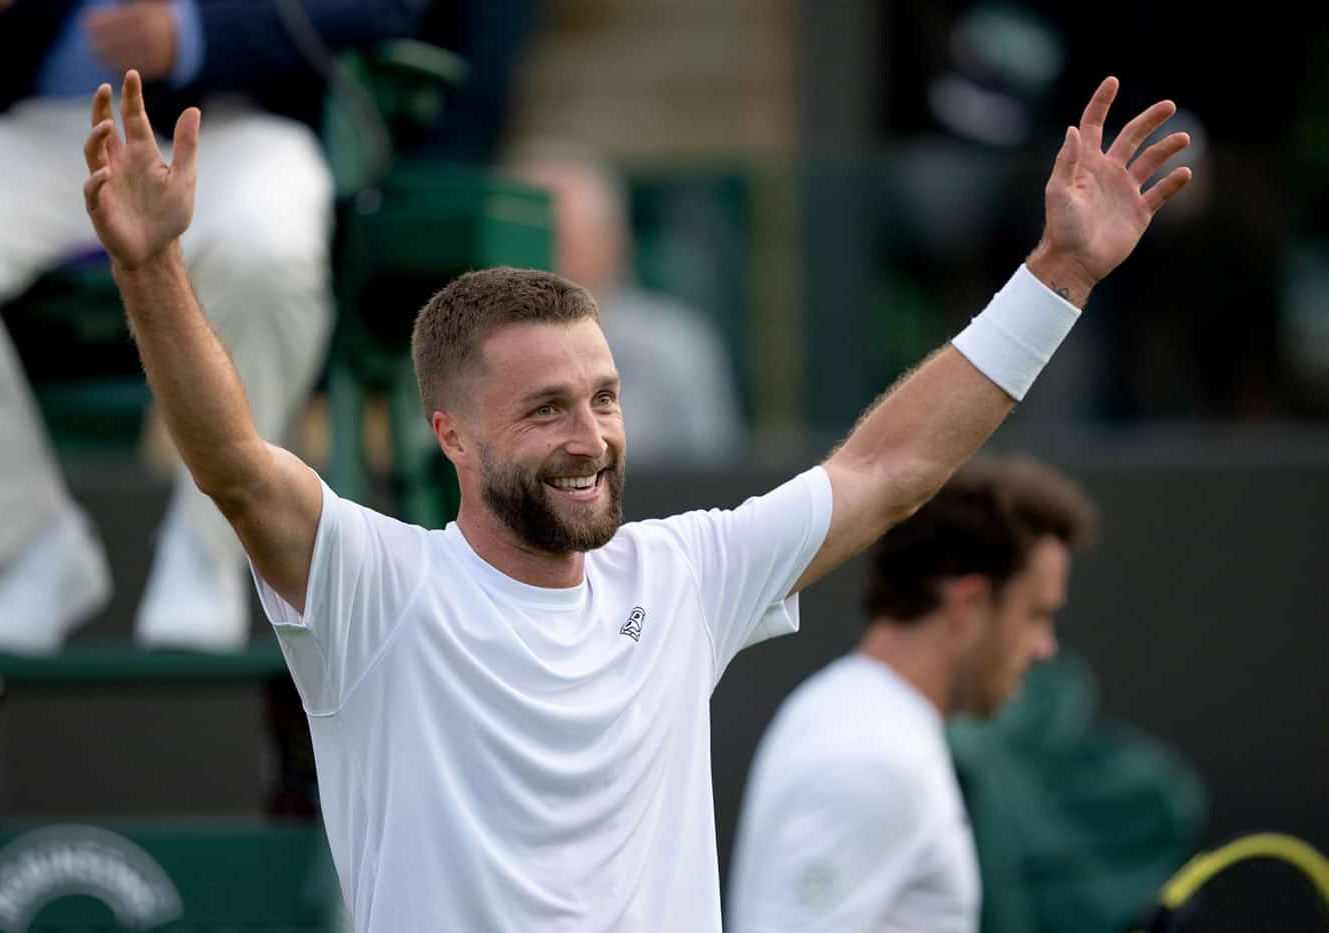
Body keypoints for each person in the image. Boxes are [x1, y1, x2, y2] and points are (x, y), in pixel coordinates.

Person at [79, 67, 1189, 931]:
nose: (591, 437)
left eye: (603, 398)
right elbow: (229, 461)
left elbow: (887, 470)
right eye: (548, 408)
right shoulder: (377, 589)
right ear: (450, 435)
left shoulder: (683, 576)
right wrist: (151, 270)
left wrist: (1059, 276)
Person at [0, 0, 425, 654]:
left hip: (237, 125)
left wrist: (196, 31)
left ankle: (212, 541)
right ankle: (22, 543)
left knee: (269, 260)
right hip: (40, 128)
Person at [727, 456, 1095, 932]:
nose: (1046, 648)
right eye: (1036, 615)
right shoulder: (875, 760)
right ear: (969, 602)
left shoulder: (859, 720)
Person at [509, 147, 750, 467]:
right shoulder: (479, 347)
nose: (541, 262)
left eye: (559, 241)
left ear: (612, 240)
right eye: (526, 243)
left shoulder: (675, 346)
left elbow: (718, 483)